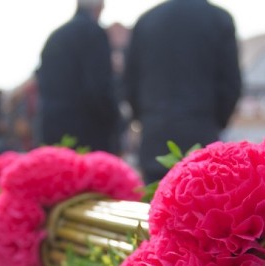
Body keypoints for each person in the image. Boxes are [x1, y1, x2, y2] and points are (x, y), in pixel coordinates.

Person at [124, 0, 242, 183]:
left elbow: (129, 83)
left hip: (155, 136)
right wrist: (215, 121)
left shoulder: (146, 20)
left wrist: (147, 118)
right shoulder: (219, 19)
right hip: (201, 134)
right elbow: (231, 84)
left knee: (153, 206)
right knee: (202, 205)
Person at [36, 0, 120, 153]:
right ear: (99, 6)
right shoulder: (93, 32)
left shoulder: (55, 37)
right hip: (87, 136)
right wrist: (116, 122)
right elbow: (99, 89)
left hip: (52, 133)